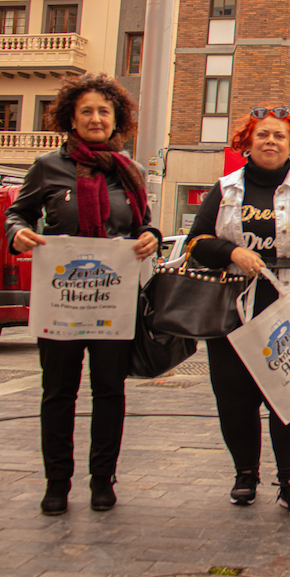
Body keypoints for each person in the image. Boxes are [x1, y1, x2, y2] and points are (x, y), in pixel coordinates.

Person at [5, 73, 161, 516]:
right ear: (72, 118)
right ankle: (57, 482)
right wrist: (17, 232)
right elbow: (18, 213)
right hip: (61, 298)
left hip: (113, 300)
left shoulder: (131, 170)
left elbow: (143, 222)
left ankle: (102, 481)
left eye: (104, 112)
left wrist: (151, 235)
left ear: (117, 120)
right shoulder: (48, 167)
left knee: (110, 391)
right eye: (87, 111)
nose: (96, 118)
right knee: (58, 392)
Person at [186, 105, 290, 518]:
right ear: (247, 144)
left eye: (279, 136)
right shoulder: (225, 189)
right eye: (262, 135)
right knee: (234, 399)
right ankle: (245, 473)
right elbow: (195, 242)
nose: (270, 141)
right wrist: (231, 250)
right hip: (233, 310)